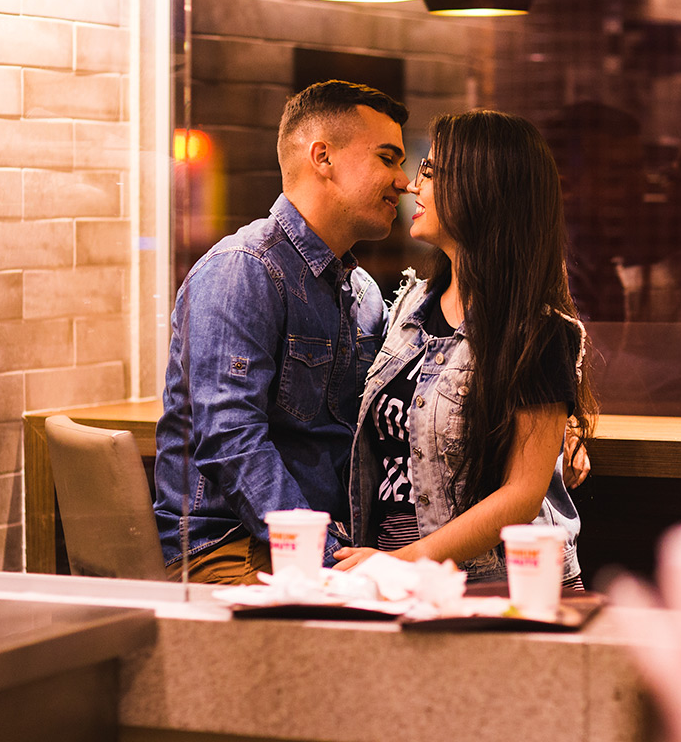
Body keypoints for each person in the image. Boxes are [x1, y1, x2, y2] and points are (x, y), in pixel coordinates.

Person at [153, 80, 410, 584]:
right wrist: (327, 558)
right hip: (226, 550)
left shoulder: (361, 292)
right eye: (387, 158)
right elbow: (231, 438)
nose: (403, 180)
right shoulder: (244, 269)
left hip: (325, 550)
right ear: (323, 157)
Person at [334, 110, 596, 586]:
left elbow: (521, 495)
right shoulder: (409, 306)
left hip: (496, 584)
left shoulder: (537, 333)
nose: (414, 186)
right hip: (400, 576)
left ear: (483, 188)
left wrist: (405, 560)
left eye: (430, 172)